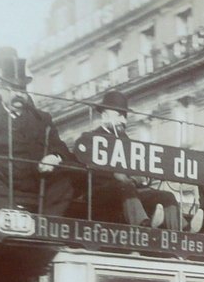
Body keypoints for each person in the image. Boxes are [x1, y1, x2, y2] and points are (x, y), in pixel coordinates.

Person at [0, 47, 75, 219]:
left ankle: (47, 224)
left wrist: (55, 156)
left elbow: (61, 148)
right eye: (13, 89)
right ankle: (13, 216)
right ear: (1, 89)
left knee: (65, 179)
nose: (19, 94)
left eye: (22, 89)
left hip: (34, 179)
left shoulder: (41, 119)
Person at [74, 89, 180, 228]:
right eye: (119, 115)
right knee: (125, 186)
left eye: (125, 116)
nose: (124, 120)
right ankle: (142, 224)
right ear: (105, 116)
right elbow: (83, 173)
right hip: (100, 191)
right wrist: (114, 175)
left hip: (128, 191)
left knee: (167, 196)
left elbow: (140, 168)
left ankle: (181, 230)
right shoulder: (90, 139)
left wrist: (140, 178)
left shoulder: (127, 142)